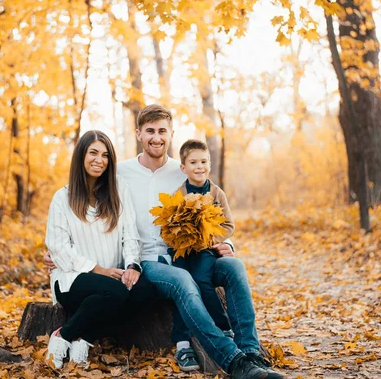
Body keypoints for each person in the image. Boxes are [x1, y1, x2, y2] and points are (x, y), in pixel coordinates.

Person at [114, 104, 282, 379]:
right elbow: (91, 205)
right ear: (138, 134)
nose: (157, 137)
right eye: (150, 131)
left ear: (171, 134)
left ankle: (251, 351)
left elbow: (213, 210)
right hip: (150, 260)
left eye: (162, 131)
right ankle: (233, 361)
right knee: (184, 281)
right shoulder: (122, 172)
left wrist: (228, 244)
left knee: (234, 268)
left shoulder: (184, 168)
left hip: (195, 254)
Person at [44, 130, 156, 369]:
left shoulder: (118, 190)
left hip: (112, 277)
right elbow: (59, 248)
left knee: (146, 290)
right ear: (81, 156)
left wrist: (132, 266)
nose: (99, 160)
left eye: (105, 155)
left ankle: (83, 338)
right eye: (93, 153)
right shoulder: (62, 198)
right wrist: (98, 270)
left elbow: (130, 234)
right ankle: (63, 336)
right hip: (71, 279)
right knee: (115, 293)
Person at [166, 139, 236, 361]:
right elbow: (170, 227)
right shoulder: (179, 195)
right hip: (182, 251)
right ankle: (182, 340)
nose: (199, 167)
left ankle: (223, 327)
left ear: (210, 163)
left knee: (201, 280)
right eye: (193, 162)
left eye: (204, 161)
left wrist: (210, 239)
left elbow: (229, 225)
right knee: (181, 285)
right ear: (183, 167)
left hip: (206, 250)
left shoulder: (217, 194)